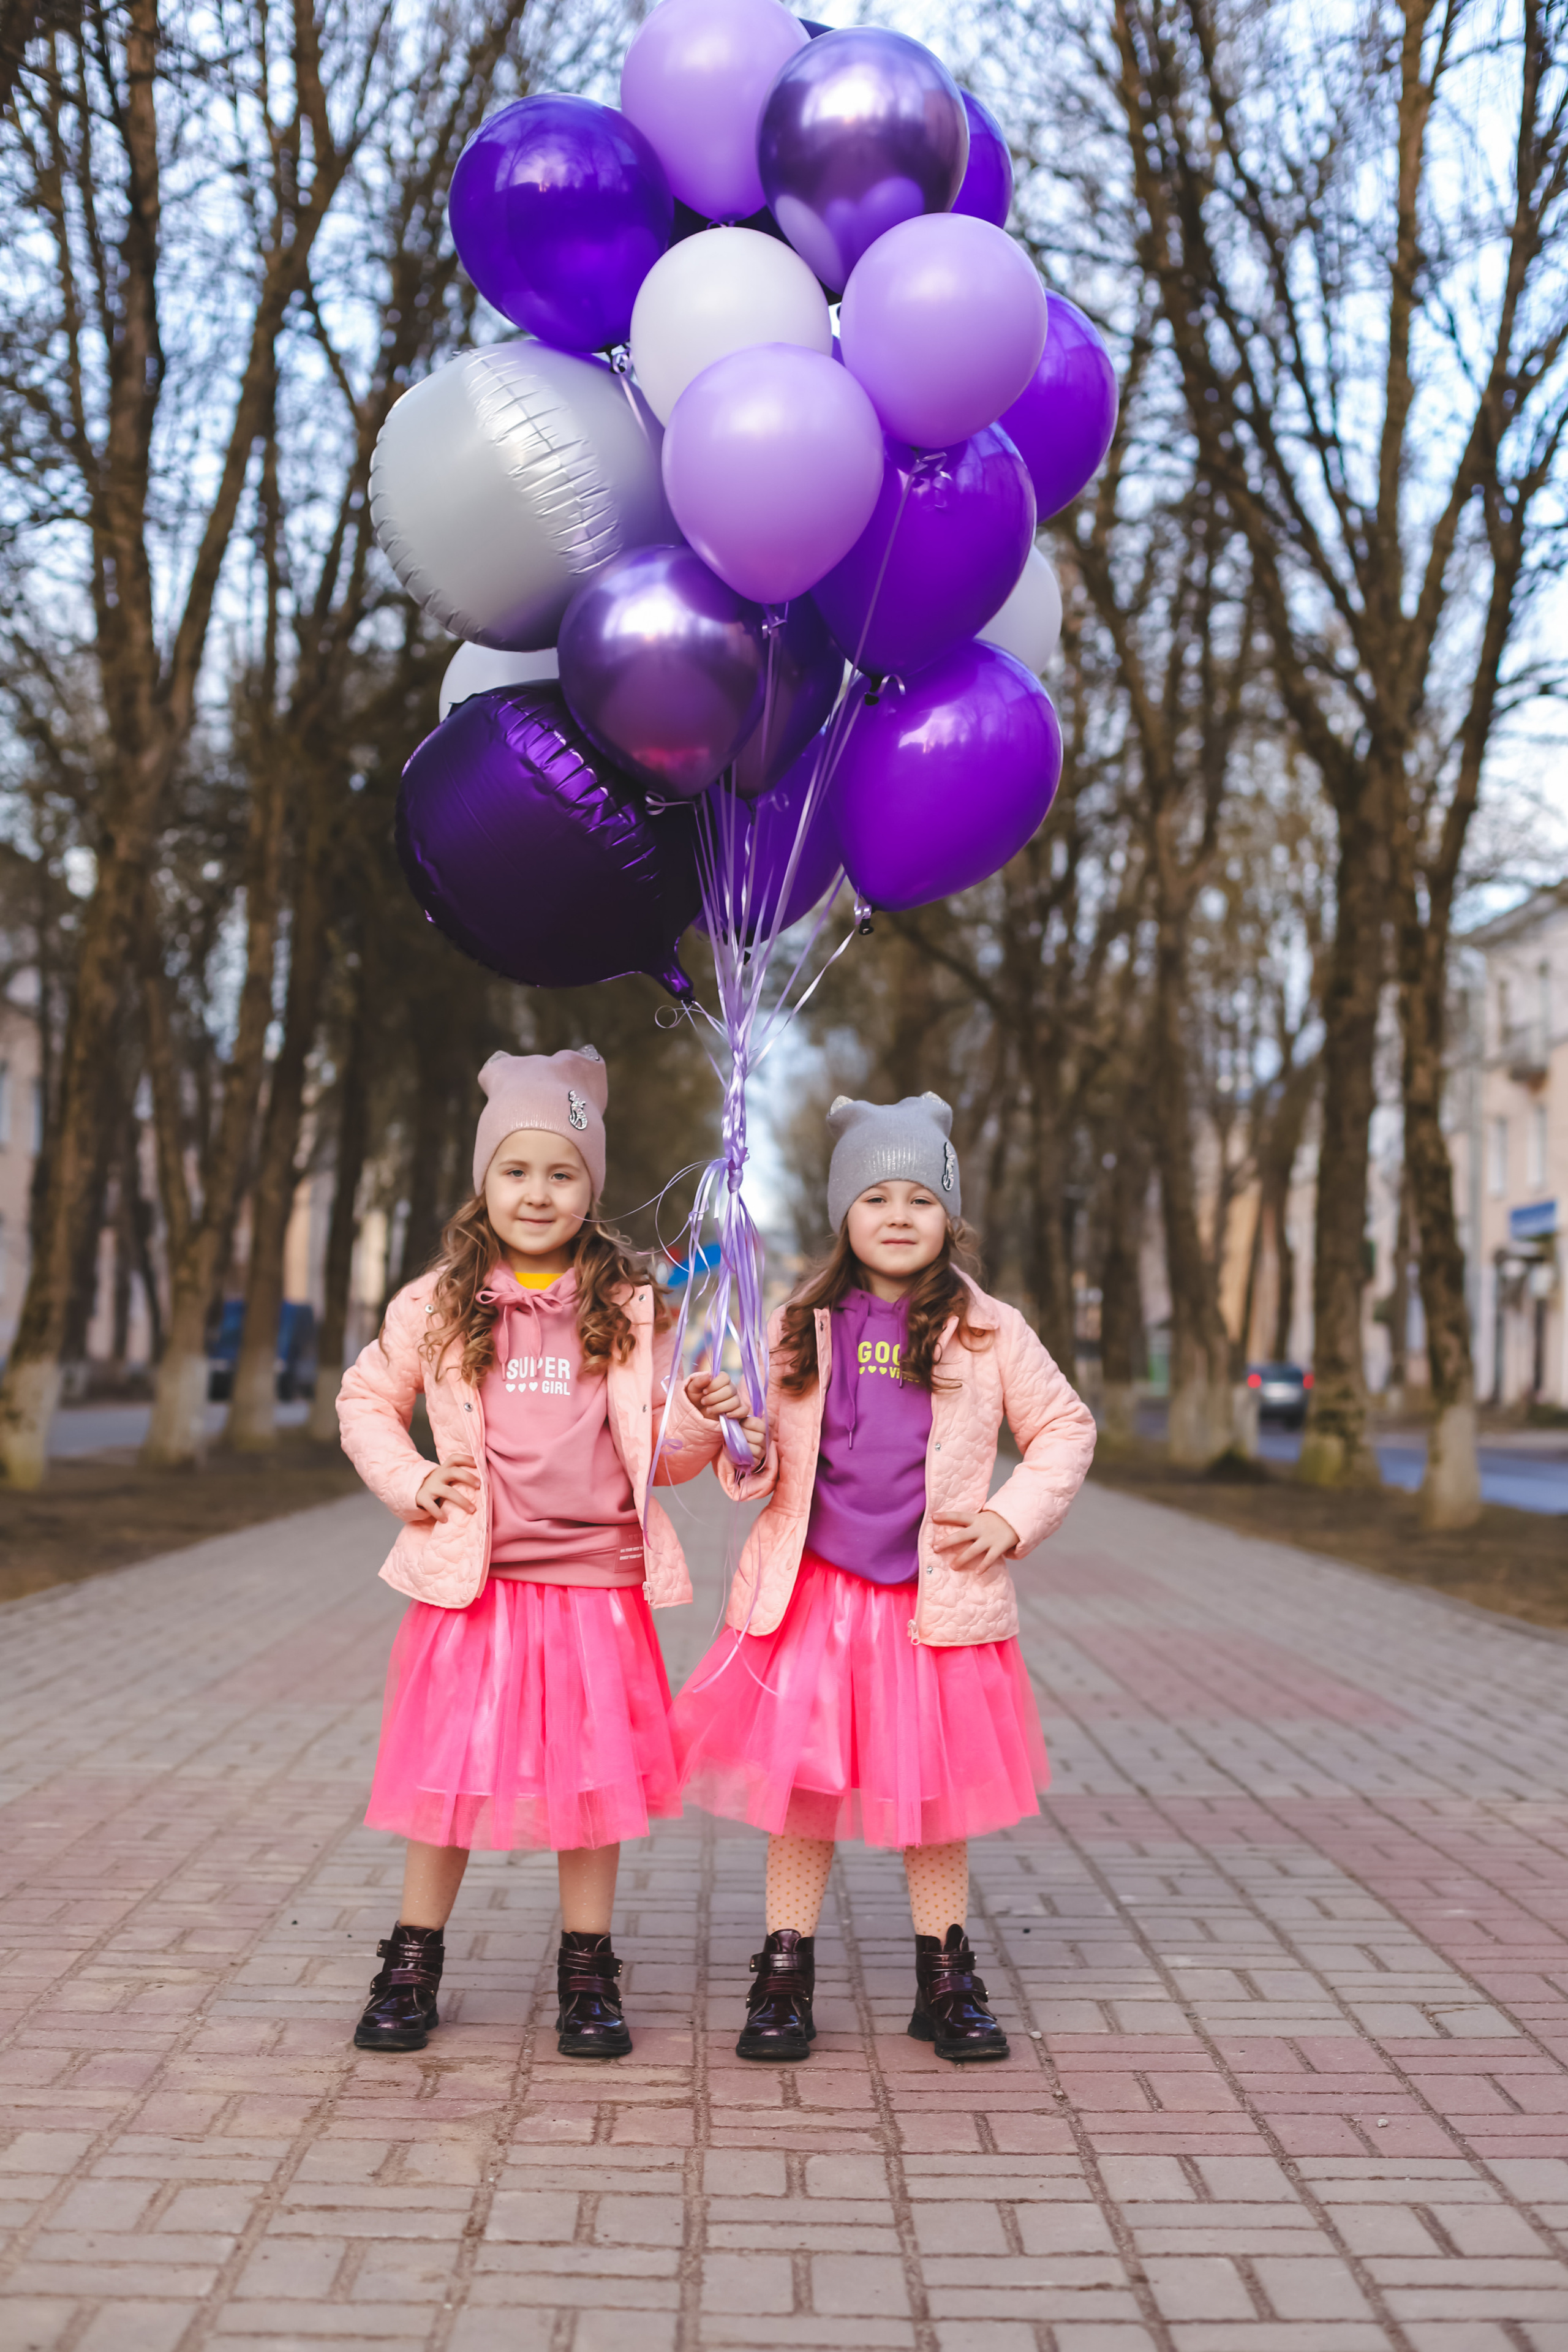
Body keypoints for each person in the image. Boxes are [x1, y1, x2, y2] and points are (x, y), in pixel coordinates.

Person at [337, 1048, 756, 2060]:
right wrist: (412, 1480)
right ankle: (411, 1962)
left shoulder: (627, 1306)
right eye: (518, 1170)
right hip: (472, 1588)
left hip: (594, 1587)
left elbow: (663, 1452)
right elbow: (365, 1400)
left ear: (591, 1187)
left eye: (562, 1172)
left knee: (590, 1783)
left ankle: (586, 1971)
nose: (538, 1192)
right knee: (446, 1778)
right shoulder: (437, 1304)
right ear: (485, 1179)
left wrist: (700, 1421)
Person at [675, 1091, 1096, 2064]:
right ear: (843, 1214)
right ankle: (785, 1971)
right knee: (805, 1788)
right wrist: (727, 1422)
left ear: (951, 1214)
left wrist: (1009, 1515)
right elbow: (752, 1470)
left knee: (932, 1794)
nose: (898, 1215)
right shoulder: (796, 1327)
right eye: (876, 1197)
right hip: (814, 1599)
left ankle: (944, 1975)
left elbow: (1065, 1427)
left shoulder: (990, 1331)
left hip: (931, 1604)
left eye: (919, 1196)